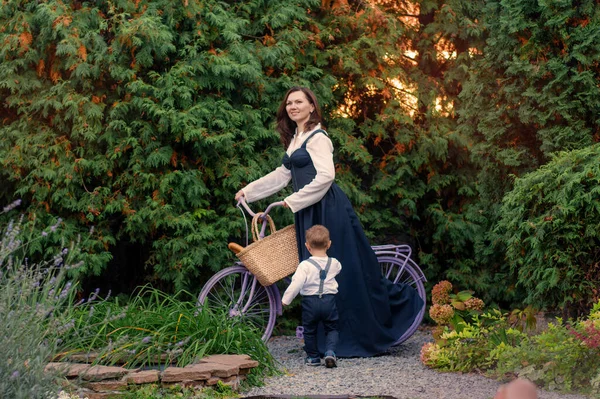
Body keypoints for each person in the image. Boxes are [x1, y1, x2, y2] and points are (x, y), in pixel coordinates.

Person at [235, 86, 424, 357]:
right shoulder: (297, 136)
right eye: (289, 103)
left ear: (312, 106)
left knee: (340, 273)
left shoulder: (318, 137)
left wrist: (293, 201)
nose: (293, 107)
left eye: (299, 102)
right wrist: (249, 191)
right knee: (315, 276)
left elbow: (326, 177)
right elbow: (282, 174)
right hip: (308, 212)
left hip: (328, 210)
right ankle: (325, 340)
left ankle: (352, 336)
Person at [281, 225, 342, 368]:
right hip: (329, 301)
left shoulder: (304, 266)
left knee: (309, 330)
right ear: (329, 244)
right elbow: (338, 270)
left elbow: (296, 284)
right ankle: (330, 352)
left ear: (307, 246)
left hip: (310, 302)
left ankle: (313, 358)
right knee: (332, 328)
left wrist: (286, 300)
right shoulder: (335, 263)